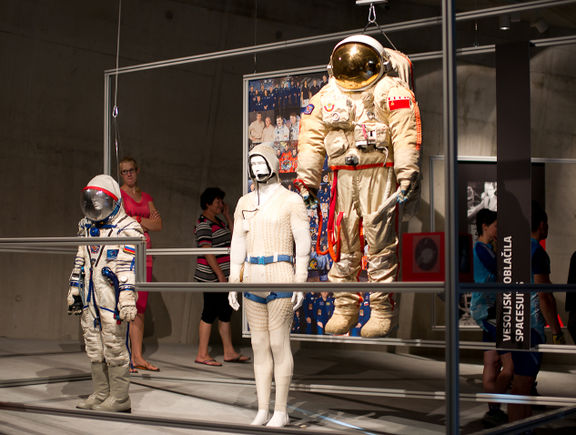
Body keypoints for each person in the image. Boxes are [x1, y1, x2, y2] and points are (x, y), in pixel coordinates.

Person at [295, 34, 421, 338]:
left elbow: (405, 132)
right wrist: (307, 180)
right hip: (344, 176)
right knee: (344, 241)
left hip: (379, 173)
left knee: (379, 240)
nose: (352, 72)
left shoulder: (391, 91)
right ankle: (345, 307)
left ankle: (380, 310)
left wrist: (406, 174)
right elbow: (311, 139)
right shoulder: (326, 96)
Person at [228, 144, 310, 427]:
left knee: (278, 343)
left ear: (273, 163)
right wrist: (233, 282)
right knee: (259, 345)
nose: (258, 168)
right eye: (253, 163)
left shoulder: (292, 201)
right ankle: (263, 409)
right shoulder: (244, 202)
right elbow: (237, 242)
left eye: (263, 162)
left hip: (281, 274)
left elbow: (303, 245)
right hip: (252, 276)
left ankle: (281, 410)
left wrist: (301, 281)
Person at [67, 174, 142, 412]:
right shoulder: (86, 227)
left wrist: (127, 297)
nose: (96, 206)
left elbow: (129, 265)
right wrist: (74, 288)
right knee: (92, 341)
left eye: (101, 201)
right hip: (90, 292)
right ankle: (101, 393)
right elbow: (80, 259)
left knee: (113, 342)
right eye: (92, 201)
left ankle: (120, 398)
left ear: (114, 201)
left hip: (112, 292)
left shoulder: (128, 228)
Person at [508, 202, 565, 422]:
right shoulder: (537, 252)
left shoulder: (513, 250)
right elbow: (545, 295)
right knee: (524, 383)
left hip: (511, 320)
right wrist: (557, 331)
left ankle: (521, 426)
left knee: (521, 383)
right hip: (530, 324)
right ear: (542, 225)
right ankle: (518, 427)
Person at [194, 187, 249, 366]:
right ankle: (202, 354)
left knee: (225, 313)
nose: (221, 204)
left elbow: (235, 239)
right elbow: (207, 252)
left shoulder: (217, 221)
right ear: (208, 203)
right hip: (211, 277)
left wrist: (227, 216)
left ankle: (229, 351)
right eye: (217, 201)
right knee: (209, 312)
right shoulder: (203, 223)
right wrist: (219, 275)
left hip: (223, 275)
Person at [469, 209, 513, 427]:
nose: (499, 230)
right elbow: (500, 271)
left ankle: (493, 409)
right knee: (509, 365)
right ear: (485, 226)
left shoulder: (486, 248)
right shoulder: (481, 249)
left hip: (487, 309)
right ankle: (495, 406)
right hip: (489, 310)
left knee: (491, 361)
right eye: (496, 225)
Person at [118, 157, 162, 373]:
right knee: (123, 305)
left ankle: (137, 356)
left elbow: (158, 223)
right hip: (126, 256)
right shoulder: (119, 195)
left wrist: (137, 220)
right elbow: (119, 223)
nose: (128, 174)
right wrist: (142, 221)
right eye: (124, 171)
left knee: (140, 308)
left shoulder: (146, 197)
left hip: (145, 256)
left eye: (131, 170)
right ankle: (123, 356)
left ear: (137, 170)